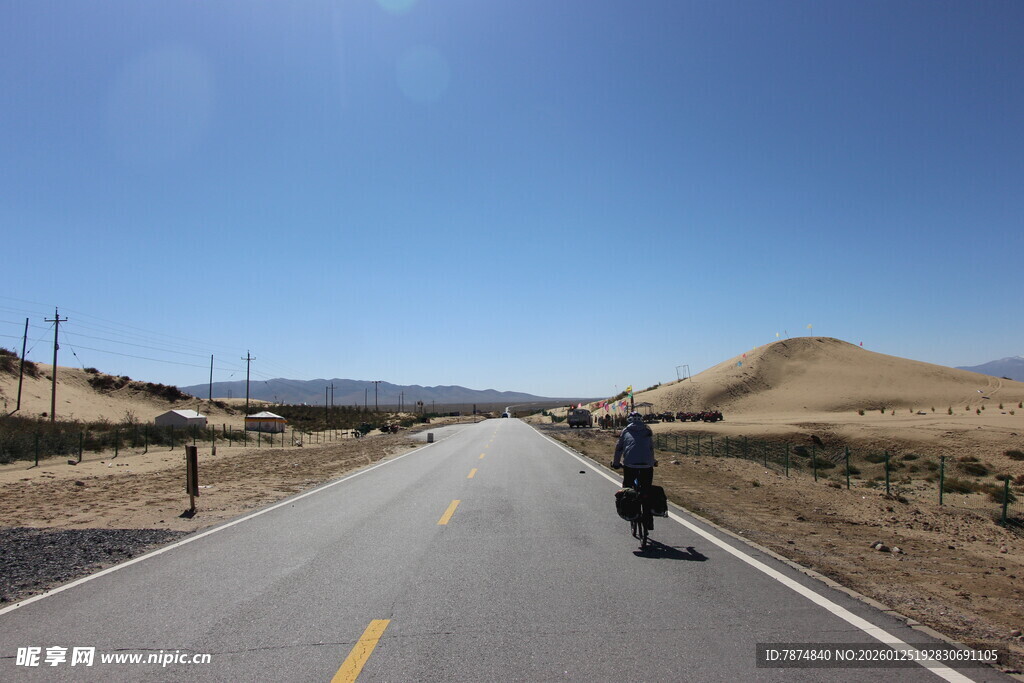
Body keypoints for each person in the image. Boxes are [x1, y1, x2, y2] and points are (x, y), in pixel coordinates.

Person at [612, 411, 656, 530]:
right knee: (646, 490)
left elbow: (619, 448)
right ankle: (649, 520)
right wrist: (653, 461)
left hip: (630, 465)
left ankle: (630, 512)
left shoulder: (626, 431)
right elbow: (651, 448)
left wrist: (616, 463)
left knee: (627, 487)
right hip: (647, 465)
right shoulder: (647, 430)